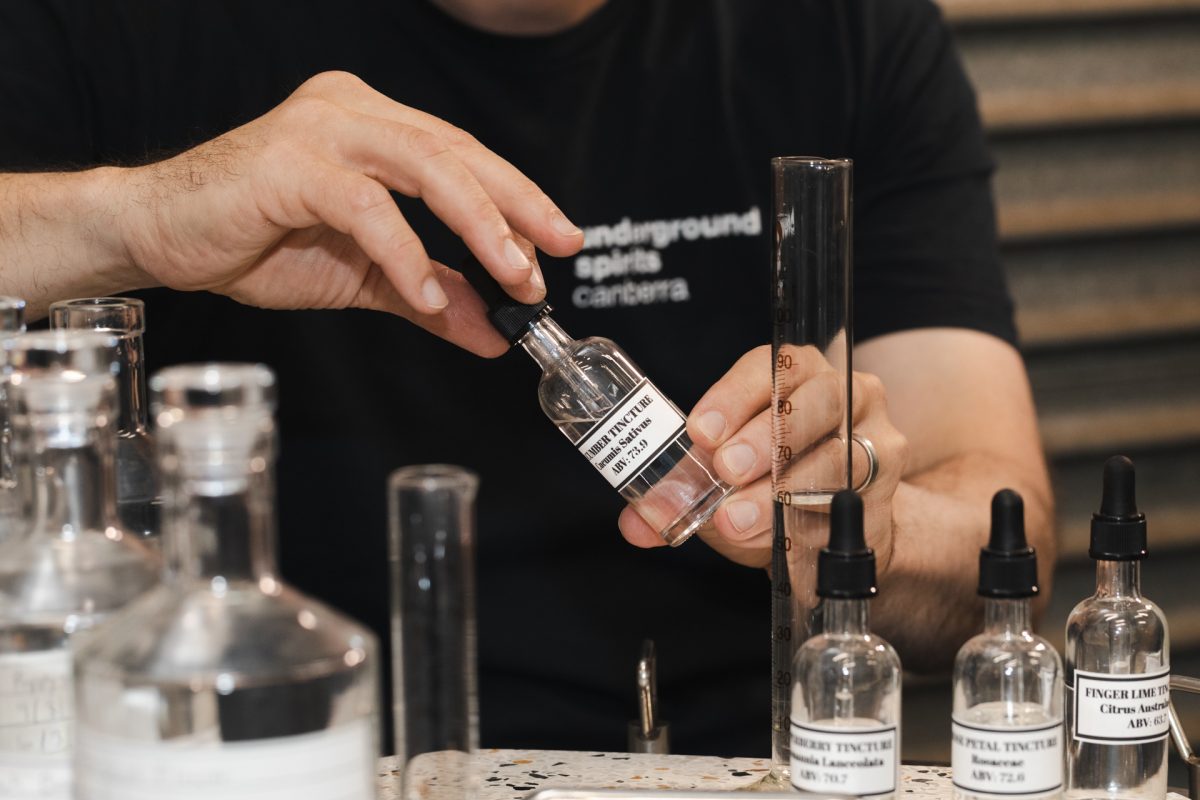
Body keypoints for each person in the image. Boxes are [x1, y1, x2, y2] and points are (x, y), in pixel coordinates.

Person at [0, 0, 1052, 756]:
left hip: (736, 760)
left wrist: (873, 523)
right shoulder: (120, 24)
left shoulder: (845, 29)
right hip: (277, 755)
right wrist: (134, 216)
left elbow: (1007, 546)